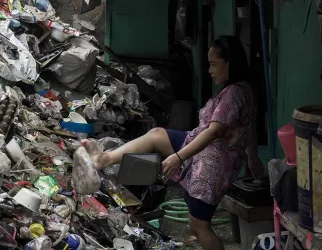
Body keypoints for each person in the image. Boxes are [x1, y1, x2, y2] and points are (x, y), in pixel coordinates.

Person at [83, 35, 264, 250]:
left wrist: (179, 157)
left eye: (214, 64)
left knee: (199, 226)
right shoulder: (244, 90)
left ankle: (113, 168)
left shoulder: (235, 94)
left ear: (230, 63)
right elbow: (249, 129)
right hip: (201, 148)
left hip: (213, 165)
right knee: (157, 135)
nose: (209, 70)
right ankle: (105, 159)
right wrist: (252, 157)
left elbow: (215, 131)